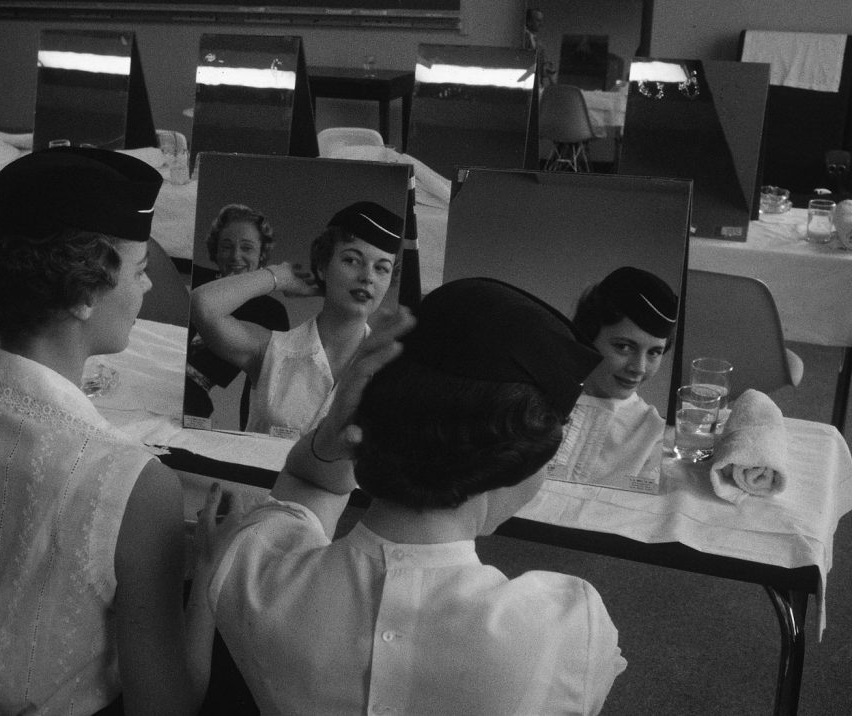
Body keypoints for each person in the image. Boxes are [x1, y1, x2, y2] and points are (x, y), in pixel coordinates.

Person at [0, 147, 221, 716]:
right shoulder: (136, 488)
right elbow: (166, 707)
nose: (143, 291)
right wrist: (210, 576)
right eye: (139, 272)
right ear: (83, 293)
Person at [207, 277, 626, 715]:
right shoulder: (570, 628)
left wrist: (336, 426)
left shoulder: (253, 571)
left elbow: (308, 482)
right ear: (519, 460)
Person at [190, 200, 402, 439]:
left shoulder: (392, 372)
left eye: (382, 268)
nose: (367, 277)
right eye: (352, 260)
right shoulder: (271, 349)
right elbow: (203, 305)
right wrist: (279, 276)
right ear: (322, 266)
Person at [545, 266, 679, 486]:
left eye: (654, 352)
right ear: (587, 336)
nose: (639, 368)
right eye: (624, 347)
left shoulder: (655, 436)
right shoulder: (532, 403)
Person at [184, 204, 289, 423]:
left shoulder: (271, 313)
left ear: (262, 254)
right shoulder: (195, 279)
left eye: (247, 248)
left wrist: (245, 437)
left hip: (192, 402)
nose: (235, 256)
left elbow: (259, 388)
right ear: (216, 250)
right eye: (227, 246)